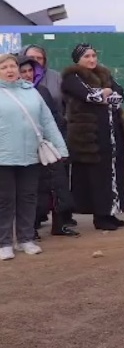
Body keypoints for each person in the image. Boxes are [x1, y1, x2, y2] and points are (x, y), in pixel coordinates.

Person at [0, 53, 68, 261]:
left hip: (30, 155)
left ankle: (26, 239)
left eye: (13, 66)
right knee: (5, 200)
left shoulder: (31, 92)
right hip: (3, 158)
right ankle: (3, 243)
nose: (10, 70)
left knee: (29, 197)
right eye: (4, 67)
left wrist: (61, 148)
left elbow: (47, 121)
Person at [62, 43, 124, 231]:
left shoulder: (105, 74)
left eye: (93, 55)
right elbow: (90, 95)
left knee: (114, 173)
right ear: (78, 59)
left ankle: (111, 212)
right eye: (86, 57)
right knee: (97, 177)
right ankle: (100, 216)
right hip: (90, 137)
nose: (91, 60)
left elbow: (120, 94)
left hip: (112, 134)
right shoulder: (71, 77)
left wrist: (106, 95)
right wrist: (104, 95)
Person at [18, 57, 78, 239]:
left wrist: (60, 142)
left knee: (57, 184)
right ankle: (31, 228)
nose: (28, 75)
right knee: (33, 189)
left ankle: (59, 225)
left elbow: (53, 117)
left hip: (49, 145)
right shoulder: (11, 95)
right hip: (26, 146)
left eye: (30, 71)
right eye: (23, 71)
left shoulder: (42, 91)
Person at [21, 44, 65, 113]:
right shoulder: (15, 79)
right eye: (31, 57)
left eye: (39, 58)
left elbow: (68, 103)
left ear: (44, 60)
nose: (35, 61)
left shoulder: (57, 77)